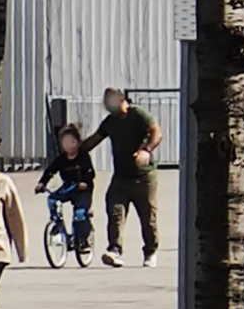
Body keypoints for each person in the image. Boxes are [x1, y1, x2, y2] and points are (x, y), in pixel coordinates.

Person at [95, 84, 159, 266]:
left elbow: (156, 131)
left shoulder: (138, 114)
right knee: (115, 212)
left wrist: (146, 150)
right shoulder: (110, 122)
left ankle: (150, 251)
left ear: (123, 101)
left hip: (144, 177)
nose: (112, 108)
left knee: (148, 217)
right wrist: (72, 152)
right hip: (121, 177)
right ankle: (114, 249)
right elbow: (94, 139)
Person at [41, 120, 94, 264]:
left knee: (79, 214)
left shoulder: (83, 157)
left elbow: (90, 172)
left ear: (77, 142)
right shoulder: (61, 159)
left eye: (71, 142)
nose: (67, 145)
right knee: (52, 199)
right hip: (68, 187)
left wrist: (85, 182)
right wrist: (42, 183)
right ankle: (57, 224)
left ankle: (83, 240)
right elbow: (50, 171)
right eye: (64, 142)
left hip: (83, 189)